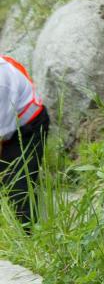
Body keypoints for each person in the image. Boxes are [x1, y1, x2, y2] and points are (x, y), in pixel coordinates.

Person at [0, 55, 49, 229]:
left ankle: (30, 241)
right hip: (6, 125)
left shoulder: (1, 84)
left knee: (18, 190)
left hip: (28, 128)